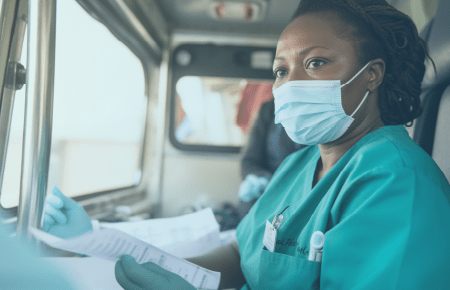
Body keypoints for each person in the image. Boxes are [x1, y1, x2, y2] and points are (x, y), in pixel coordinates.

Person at [44, 0, 450, 289]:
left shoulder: (396, 181)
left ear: (371, 75)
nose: (289, 84)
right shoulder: (298, 165)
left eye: (315, 63)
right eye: (280, 70)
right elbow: (242, 253)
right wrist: (135, 257)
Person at [237, 99, 305, 217]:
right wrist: (262, 179)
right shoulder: (269, 109)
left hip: (307, 192)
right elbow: (249, 161)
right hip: (271, 192)